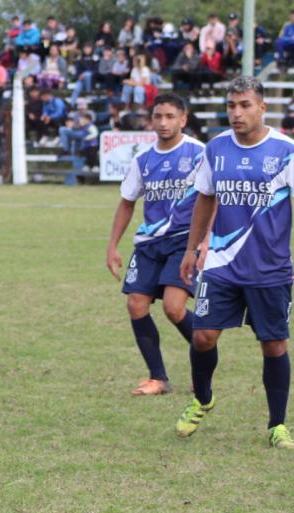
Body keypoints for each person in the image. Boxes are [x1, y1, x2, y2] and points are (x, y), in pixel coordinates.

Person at [176, 76, 294, 449]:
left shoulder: (286, 152)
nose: (236, 112)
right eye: (231, 105)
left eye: (244, 105)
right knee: (203, 335)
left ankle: (277, 425)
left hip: (270, 268)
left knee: (274, 345)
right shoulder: (216, 149)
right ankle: (203, 397)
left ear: (262, 107)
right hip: (221, 263)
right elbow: (205, 199)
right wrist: (192, 248)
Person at [106, 93, 206, 395]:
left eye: (170, 117)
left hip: (183, 242)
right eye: (158, 116)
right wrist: (112, 246)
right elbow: (126, 203)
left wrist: (207, 241)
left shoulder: (201, 154)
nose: (163, 123)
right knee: (135, 305)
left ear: (183, 120)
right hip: (149, 243)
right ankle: (158, 378)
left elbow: (213, 201)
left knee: (174, 309)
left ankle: (205, 356)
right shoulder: (143, 159)